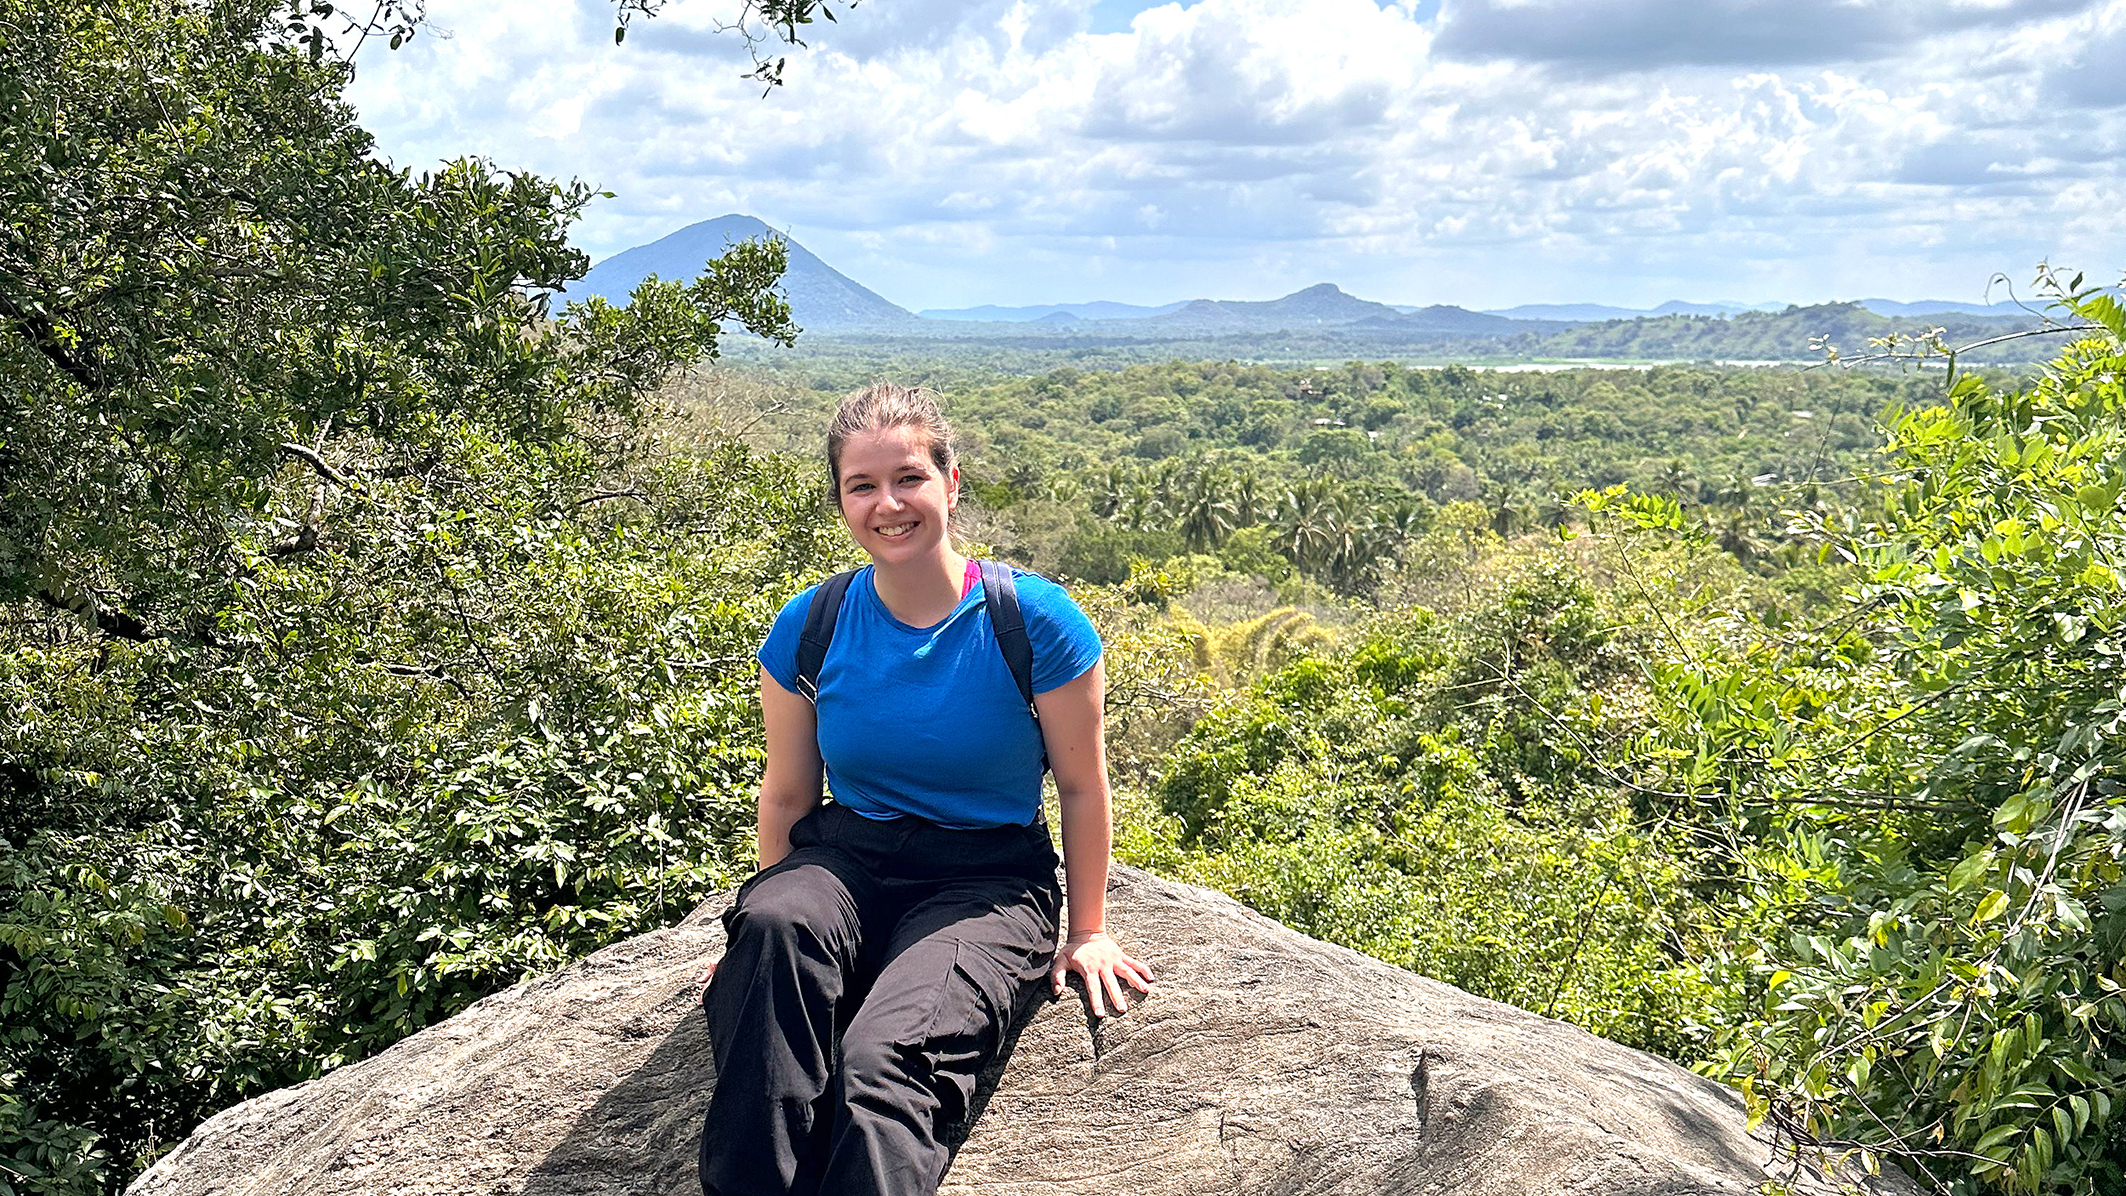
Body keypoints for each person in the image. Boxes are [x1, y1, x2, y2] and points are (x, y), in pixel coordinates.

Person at [698, 383, 1154, 1196]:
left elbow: (1082, 788)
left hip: (985, 881)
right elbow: (788, 797)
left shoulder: (1034, 621)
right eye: (861, 486)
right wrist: (755, 956)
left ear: (950, 482)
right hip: (849, 855)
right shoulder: (813, 624)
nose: (887, 504)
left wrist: (1088, 930)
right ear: (840, 500)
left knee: (884, 1061)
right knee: (771, 929)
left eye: (908, 478)